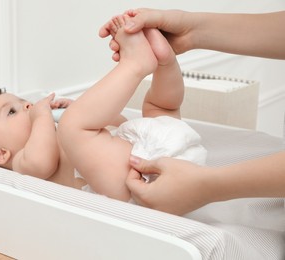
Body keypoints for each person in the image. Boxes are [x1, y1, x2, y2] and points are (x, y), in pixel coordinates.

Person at [0, 14, 206, 202]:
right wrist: (45, 118)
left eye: (22, 101)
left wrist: (78, 110)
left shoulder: (59, 132)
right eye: (12, 111)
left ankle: (165, 61)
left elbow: (118, 125)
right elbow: (43, 162)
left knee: (157, 109)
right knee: (75, 126)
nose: (28, 105)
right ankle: (138, 64)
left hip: (153, 158)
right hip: (136, 186)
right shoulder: (21, 162)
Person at [99, 8, 285, 215]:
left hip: (152, 171)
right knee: (157, 110)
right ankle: (163, 61)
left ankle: (146, 64)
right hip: (166, 162)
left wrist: (207, 185)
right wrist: (190, 32)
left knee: (158, 111)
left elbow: (72, 137)